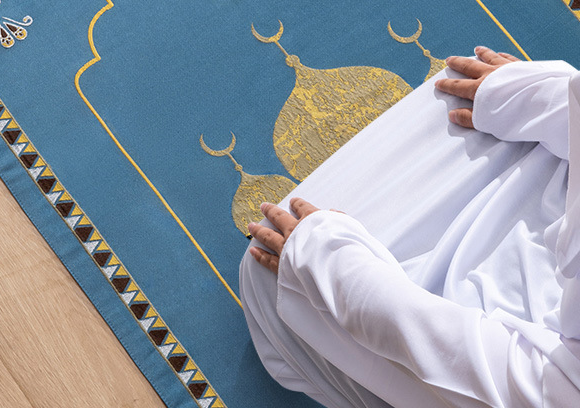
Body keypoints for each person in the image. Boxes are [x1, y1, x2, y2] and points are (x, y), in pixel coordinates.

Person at [239, 46, 580, 408]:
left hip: (516, 362)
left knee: (272, 272)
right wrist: (552, 100)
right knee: (467, 88)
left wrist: (333, 267)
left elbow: (507, 378)